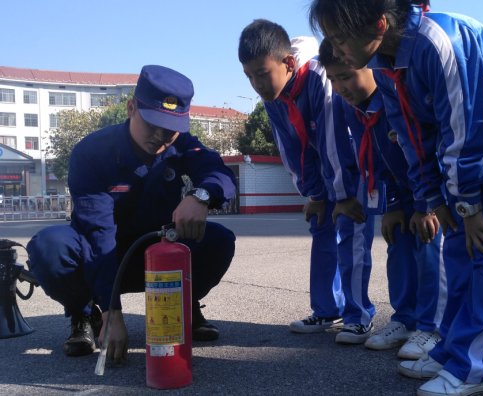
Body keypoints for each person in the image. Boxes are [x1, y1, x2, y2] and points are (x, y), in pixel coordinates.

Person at [309, 1, 483, 395]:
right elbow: (410, 136)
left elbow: (465, 124)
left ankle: (473, 369)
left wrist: (466, 204)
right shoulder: (385, 61)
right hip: (464, 155)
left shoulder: (439, 40)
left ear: (379, 24)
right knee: (456, 251)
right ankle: (452, 348)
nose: (337, 49)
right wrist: (432, 196)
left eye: (340, 38)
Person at [27, 65, 237, 363]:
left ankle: (182, 306)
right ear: (131, 108)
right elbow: (98, 235)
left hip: (157, 253)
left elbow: (220, 173)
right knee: (50, 248)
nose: (160, 136)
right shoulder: (92, 152)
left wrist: (201, 196)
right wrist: (112, 311)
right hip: (99, 256)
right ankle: (86, 315)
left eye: (170, 128)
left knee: (218, 240)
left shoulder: (181, 146)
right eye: (152, 123)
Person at [239, 19, 376, 344]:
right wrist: (314, 193)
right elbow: (291, 148)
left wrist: (342, 195)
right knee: (321, 227)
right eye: (249, 76)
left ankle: (359, 315)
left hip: (352, 167)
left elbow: (335, 140)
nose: (256, 84)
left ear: (288, 63)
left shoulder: (317, 77)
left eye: (262, 73)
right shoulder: (273, 98)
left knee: (349, 232)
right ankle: (328, 309)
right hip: (326, 172)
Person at [318, 38, 445, 360]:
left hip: (430, 186)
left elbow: (425, 150)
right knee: (397, 243)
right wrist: (390, 207)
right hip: (399, 189)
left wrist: (425, 205)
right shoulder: (352, 108)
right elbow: (374, 159)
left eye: (346, 76)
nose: (340, 86)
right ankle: (405, 318)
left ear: (370, 63)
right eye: (332, 79)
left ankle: (433, 325)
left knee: (428, 245)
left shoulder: (396, 97)